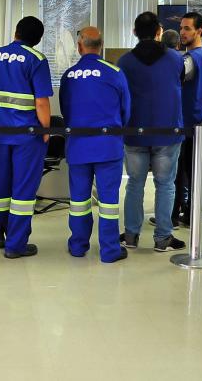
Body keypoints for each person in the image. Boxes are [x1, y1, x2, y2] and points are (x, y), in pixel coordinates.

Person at [0, 16, 52, 259]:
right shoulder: (37, 60)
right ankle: (16, 245)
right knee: (23, 190)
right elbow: (41, 102)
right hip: (27, 136)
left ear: (16, 32)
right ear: (38, 39)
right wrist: (46, 130)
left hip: (0, 133)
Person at [59, 27, 129, 263]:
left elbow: (66, 111)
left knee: (79, 201)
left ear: (79, 46)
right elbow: (126, 110)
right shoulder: (115, 72)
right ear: (101, 46)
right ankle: (109, 251)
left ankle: (78, 246)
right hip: (108, 145)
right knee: (109, 202)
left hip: (78, 146)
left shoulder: (69, 76)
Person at [117, 12, 186, 252]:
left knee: (134, 183)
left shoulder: (124, 62)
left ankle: (132, 236)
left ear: (134, 32)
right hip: (167, 131)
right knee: (165, 184)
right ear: (159, 31)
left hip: (135, 131)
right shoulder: (176, 59)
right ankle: (162, 238)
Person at [172, 12, 202, 228]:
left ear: (199, 31)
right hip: (194, 122)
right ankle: (186, 213)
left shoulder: (191, 59)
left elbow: (175, 77)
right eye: (181, 28)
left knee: (180, 172)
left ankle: (175, 215)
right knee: (187, 171)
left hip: (187, 123)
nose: (182, 32)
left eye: (187, 28)